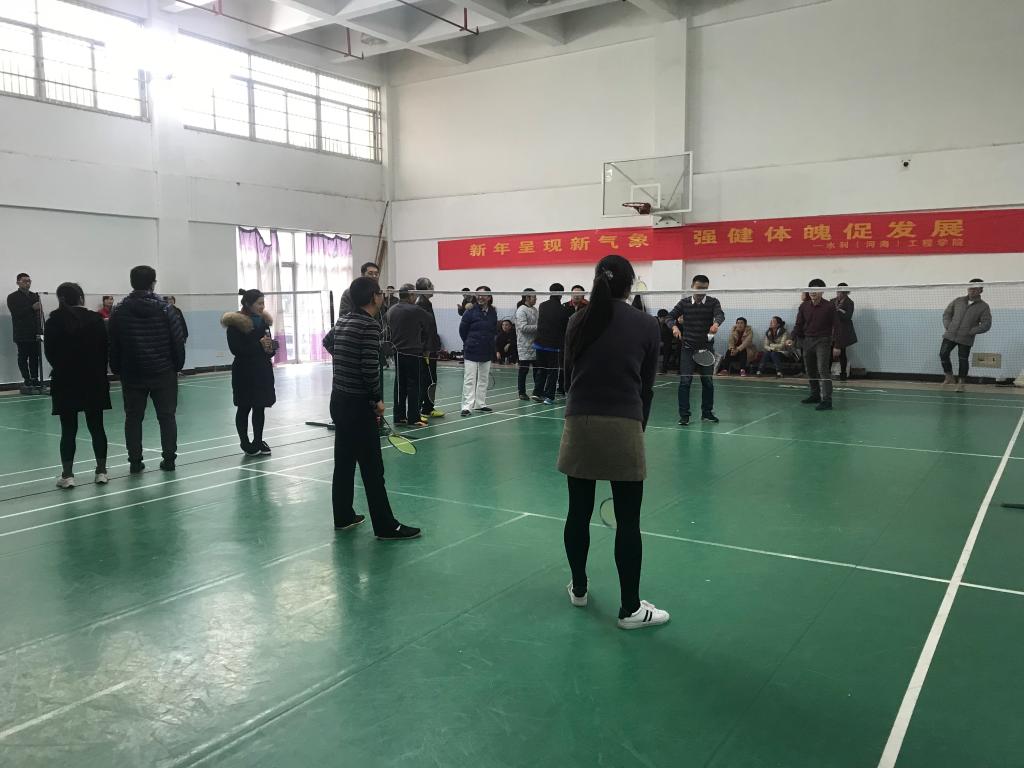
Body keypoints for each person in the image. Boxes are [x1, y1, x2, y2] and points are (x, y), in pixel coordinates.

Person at [558, 254, 668, 630]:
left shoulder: (576, 320)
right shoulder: (647, 324)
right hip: (625, 424)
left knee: (577, 512)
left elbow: (568, 377)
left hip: (579, 423)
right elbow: (647, 385)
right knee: (628, 521)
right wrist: (638, 426)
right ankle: (630, 609)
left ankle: (579, 589)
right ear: (630, 285)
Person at [331, 276, 420, 540]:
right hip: (358, 405)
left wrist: (346, 362)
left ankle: (343, 516)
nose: (382, 296)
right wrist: (376, 400)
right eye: (380, 293)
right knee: (372, 469)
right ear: (373, 297)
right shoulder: (369, 326)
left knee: (344, 462)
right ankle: (386, 526)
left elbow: (328, 343)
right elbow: (370, 369)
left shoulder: (343, 320)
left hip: (338, 400)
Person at [108, 265, 186, 473]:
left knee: (133, 418)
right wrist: (177, 365)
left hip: (132, 372)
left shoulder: (119, 310)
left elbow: (113, 342)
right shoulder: (166, 309)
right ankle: (169, 460)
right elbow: (177, 340)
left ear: (132, 282)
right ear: (153, 283)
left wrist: (116, 367)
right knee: (167, 417)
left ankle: (135, 462)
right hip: (163, 371)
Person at [44, 282, 111, 489]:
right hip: (94, 379)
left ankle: (67, 475)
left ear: (60, 299)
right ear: (81, 298)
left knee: (68, 429)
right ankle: (101, 472)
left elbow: (50, 353)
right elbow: (104, 349)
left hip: (65, 380)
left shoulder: (54, 321)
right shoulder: (96, 319)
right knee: (97, 427)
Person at [222, 289, 277, 456]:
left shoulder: (263, 322)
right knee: (244, 407)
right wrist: (259, 345)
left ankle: (258, 441)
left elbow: (268, 347)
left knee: (259, 407)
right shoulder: (235, 324)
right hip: (244, 373)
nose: (262, 306)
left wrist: (271, 348)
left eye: (263, 303)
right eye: (259, 303)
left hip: (262, 371)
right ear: (248, 304)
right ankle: (245, 443)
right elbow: (236, 350)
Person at [666, 275, 724, 426]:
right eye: (698, 288)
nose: (701, 292)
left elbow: (720, 314)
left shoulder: (713, 302)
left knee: (708, 382)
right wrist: (674, 327)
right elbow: (669, 317)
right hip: (688, 348)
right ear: (692, 287)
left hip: (706, 348)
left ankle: (707, 413)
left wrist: (716, 324)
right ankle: (684, 415)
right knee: (685, 382)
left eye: (705, 289)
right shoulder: (684, 303)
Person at [792, 278, 840, 411]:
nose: (813, 292)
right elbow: (798, 324)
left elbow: (837, 326)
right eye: (811, 290)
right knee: (810, 370)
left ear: (822, 291)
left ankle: (827, 400)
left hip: (823, 341)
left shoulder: (829, 306)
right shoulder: (804, 306)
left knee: (823, 370)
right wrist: (792, 337)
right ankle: (815, 395)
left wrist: (837, 345)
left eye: (816, 290)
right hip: (807, 341)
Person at [388, 283, 431, 427]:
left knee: (400, 385)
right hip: (413, 353)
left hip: (397, 354)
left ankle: (399, 416)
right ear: (411, 295)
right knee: (414, 386)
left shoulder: (391, 310)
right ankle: (414, 418)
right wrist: (427, 347)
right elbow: (429, 325)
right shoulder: (416, 310)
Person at [941, 278, 992, 393]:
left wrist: (971, 331)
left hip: (966, 338)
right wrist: (948, 325)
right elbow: (947, 314)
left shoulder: (984, 306)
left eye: (975, 288)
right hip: (950, 334)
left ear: (981, 290)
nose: (972, 290)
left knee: (963, 360)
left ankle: (961, 383)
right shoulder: (958, 301)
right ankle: (949, 376)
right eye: (970, 287)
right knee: (943, 354)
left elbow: (986, 324)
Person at [458, 286, 498, 416]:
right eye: (478, 295)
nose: (480, 297)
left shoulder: (493, 312)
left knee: (483, 378)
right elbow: (462, 330)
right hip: (472, 349)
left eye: (483, 295)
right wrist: (469, 342)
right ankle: (467, 406)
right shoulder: (469, 311)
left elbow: (493, 330)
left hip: (486, 349)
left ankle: (480, 404)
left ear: (489, 297)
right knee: (469, 379)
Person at [6, 273, 44, 391]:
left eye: (29, 281)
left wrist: (40, 331)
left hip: (35, 332)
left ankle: (35, 378)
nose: (27, 283)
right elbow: (16, 313)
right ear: (18, 282)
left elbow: (39, 315)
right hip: (21, 333)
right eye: (24, 281)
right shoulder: (12, 297)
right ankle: (26, 379)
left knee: (35, 356)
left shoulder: (35, 296)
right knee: (23, 357)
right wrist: (31, 308)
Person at [535, 283, 570, 404]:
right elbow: (565, 328)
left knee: (541, 369)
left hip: (539, 343)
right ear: (561, 294)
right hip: (553, 346)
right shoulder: (563, 310)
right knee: (553, 371)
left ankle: (537, 392)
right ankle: (549, 396)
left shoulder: (542, 306)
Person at [415, 277, 444, 420]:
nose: (433, 287)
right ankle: (419, 410)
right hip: (425, 351)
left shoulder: (427, 303)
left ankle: (428, 408)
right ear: (425, 289)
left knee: (432, 379)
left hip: (431, 349)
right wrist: (425, 348)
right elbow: (421, 329)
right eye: (431, 286)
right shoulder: (420, 305)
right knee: (424, 380)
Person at [515, 289, 541, 401]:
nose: (535, 299)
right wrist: (539, 327)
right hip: (524, 345)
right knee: (523, 370)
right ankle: (522, 392)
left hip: (536, 344)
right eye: (534, 297)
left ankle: (537, 392)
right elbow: (523, 327)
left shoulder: (535, 309)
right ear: (527, 298)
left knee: (537, 370)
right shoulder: (521, 310)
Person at [831, 283, 857, 380]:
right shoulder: (832, 301)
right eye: (837, 291)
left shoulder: (850, 303)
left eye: (841, 292)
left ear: (846, 292)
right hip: (832, 330)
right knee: (829, 352)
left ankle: (843, 373)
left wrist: (839, 311)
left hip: (843, 331)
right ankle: (827, 373)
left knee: (842, 352)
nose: (838, 293)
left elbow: (847, 317)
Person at [656, 309, 680, 374]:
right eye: (664, 318)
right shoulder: (653, 323)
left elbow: (670, 338)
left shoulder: (668, 325)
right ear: (659, 317)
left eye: (666, 318)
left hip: (665, 343)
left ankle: (664, 368)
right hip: (655, 343)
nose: (665, 320)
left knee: (667, 348)